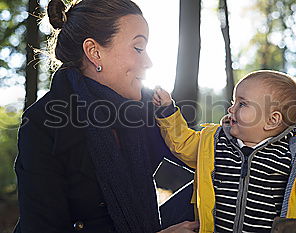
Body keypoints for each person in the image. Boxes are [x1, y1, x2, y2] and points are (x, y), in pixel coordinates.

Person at [14, 0, 199, 232]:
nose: (149, 62)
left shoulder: (146, 108)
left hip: (146, 223)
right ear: (94, 52)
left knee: (228, 185)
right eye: (138, 48)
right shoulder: (42, 122)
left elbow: (198, 154)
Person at [153, 70, 296, 233]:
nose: (231, 109)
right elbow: (183, 143)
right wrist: (168, 112)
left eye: (242, 103)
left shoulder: (293, 155)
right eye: (233, 102)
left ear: (272, 120)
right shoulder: (214, 142)